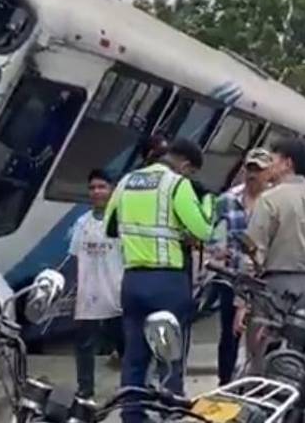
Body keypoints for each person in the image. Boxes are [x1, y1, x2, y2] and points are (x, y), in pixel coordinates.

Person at [105, 138, 214, 423]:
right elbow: (203, 230)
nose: (189, 178)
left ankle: (132, 416)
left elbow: (109, 227)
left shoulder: (126, 181)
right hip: (167, 283)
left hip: (132, 282)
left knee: (134, 357)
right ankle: (169, 415)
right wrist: (207, 200)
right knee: (171, 356)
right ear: (185, 165)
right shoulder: (177, 185)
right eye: (191, 173)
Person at [246, 138, 305, 311]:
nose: (270, 165)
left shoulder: (268, 200)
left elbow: (253, 253)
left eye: (273, 160)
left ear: (287, 164)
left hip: (273, 287)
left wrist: (242, 304)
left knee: (265, 336)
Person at [207, 148, 272, 386]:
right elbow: (210, 231)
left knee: (260, 334)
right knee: (229, 334)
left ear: (269, 173)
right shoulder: (227, 200)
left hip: (263, 281)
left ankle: (257, 381)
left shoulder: (273, 202)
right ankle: (225, 383)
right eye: (250, 169)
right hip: (232, 278)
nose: (253, 174)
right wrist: (216, 248)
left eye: (259, 170)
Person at [69, 169, 125, 399]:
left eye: (102, 187)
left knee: (125, 346)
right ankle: (85, 390)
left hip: (117, 296)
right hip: (88, 299)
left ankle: (131, 388)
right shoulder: (82, 223)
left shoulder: (122, 221)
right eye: (92, 188)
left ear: (112, 190)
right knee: (84, 347)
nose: (96, 192)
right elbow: (75, 257)